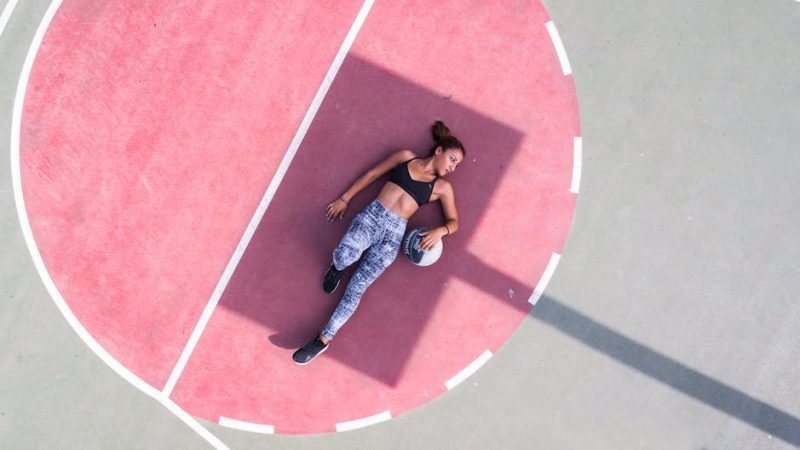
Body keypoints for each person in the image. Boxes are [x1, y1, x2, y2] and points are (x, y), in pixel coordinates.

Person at [292, 121, 466, 365]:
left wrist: (441, 231)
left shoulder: (442, 188)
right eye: (452, 159)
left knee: (357, 289)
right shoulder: (405, 157)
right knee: (344, 255)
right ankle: (337, 267)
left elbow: (454, 221)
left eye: (457, 165)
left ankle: (322, 340)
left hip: (393, 237)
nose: (453, 167)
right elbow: (372, 175)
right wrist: (345, 199)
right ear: (439, 151)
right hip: (372, 217)